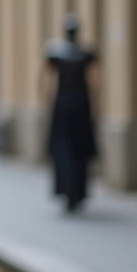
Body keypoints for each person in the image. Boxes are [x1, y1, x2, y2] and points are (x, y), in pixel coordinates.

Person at [43, 13, 98, 212]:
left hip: (62, 105)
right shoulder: (85, 53)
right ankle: (78, 191)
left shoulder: (56, 53)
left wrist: (48, 102)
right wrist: (94, 106)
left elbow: (44, 79)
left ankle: (66, 190)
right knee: (79, 149)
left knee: (63, 148)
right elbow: (95, 82)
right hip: (81, 106)